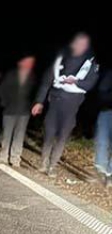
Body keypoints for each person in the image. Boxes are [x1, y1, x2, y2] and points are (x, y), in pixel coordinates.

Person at [32, 32, 100, 177]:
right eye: (78, 43)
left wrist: (75, 81)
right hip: (55, 100)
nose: (80, 46)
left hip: (72, 104)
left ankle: (52, 166)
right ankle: (44, 163)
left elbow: (90, 83)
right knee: (49, 132)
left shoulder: (90, 63)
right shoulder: (61, 57)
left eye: (83, 44)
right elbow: (46, 81)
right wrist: (39, 101)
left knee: (62, 136)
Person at [0, 55, 37, 167]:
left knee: (19, 136)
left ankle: (15, 159)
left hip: (24, 111)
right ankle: (3, 157)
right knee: (7, 134)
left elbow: (35, 94)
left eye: (31, 63)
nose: (29, 65)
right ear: (21, 62)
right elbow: (2, 89)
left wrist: (33, 105)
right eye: (27, 62)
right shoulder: (11, 74)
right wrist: (4, 102)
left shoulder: (33, 77)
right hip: (9, 110)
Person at [95, 67, 112, 185]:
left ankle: (109, 174)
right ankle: (100, 170)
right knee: (102, 141)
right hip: (108, 110)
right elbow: (102, 89)